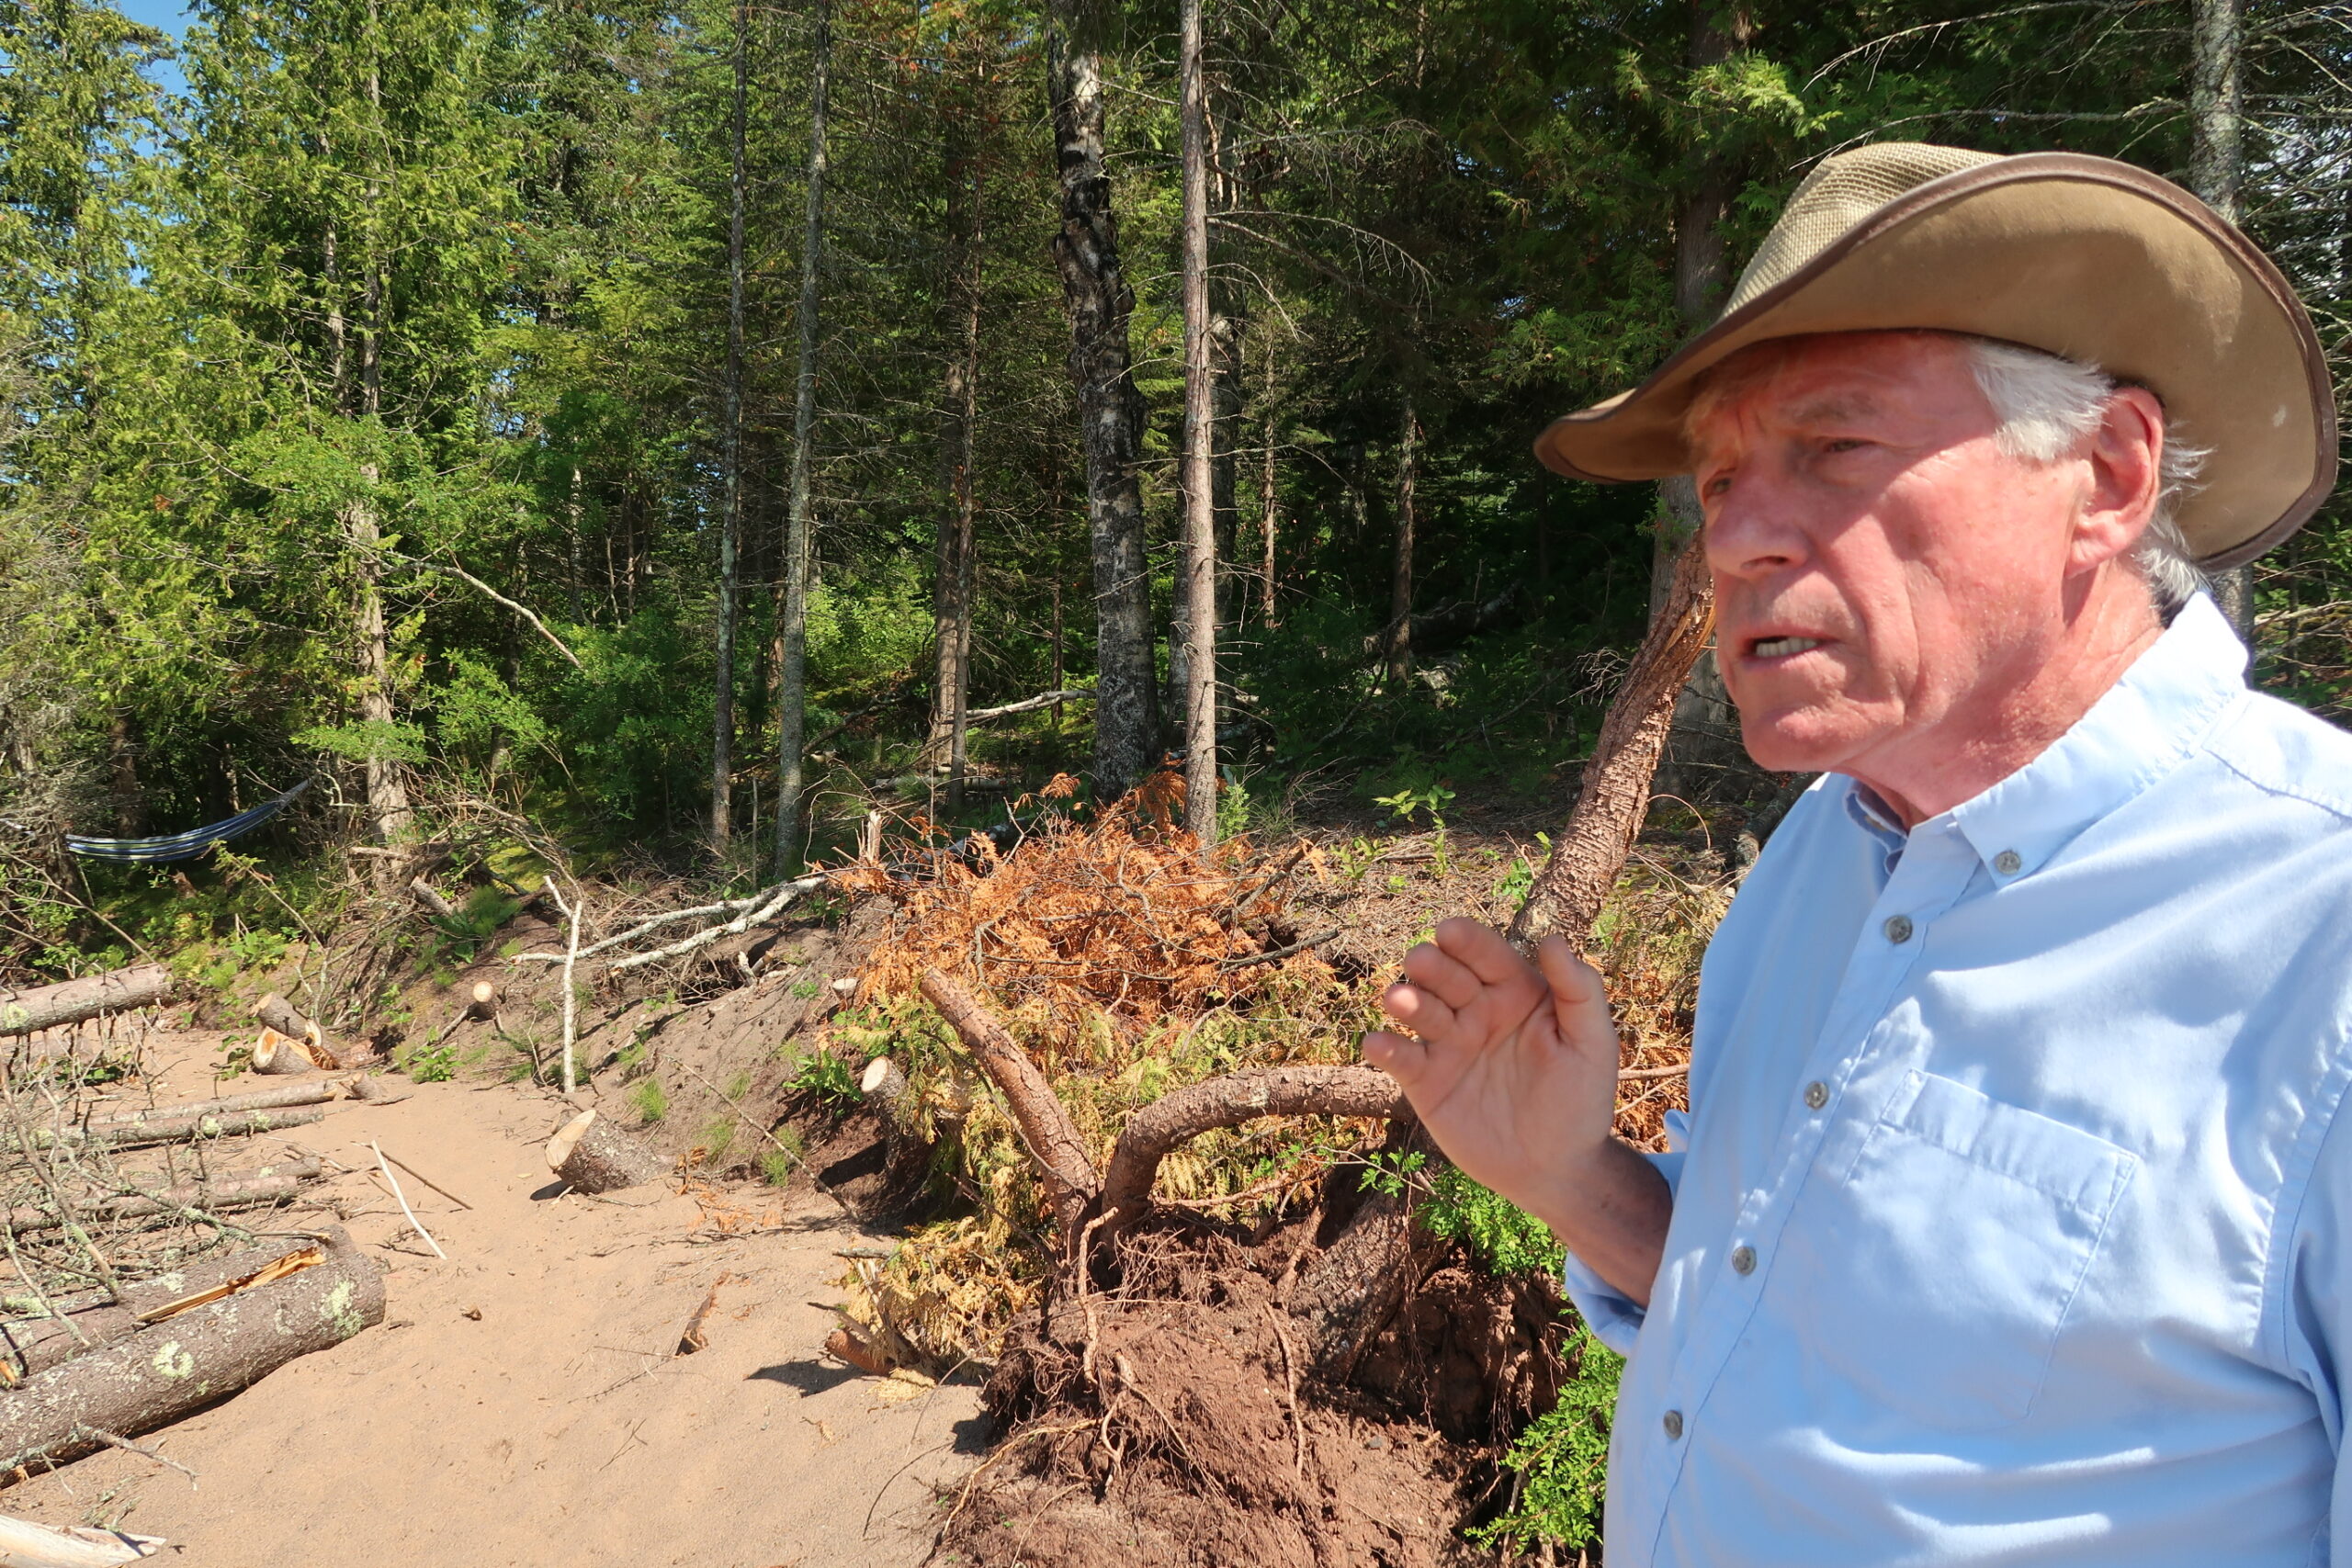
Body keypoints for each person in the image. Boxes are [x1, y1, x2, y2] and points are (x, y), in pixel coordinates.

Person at [1363, 141, 2352, 1565]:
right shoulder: (1823, 850)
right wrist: (1570, 1177)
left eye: (1833, 447)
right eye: (1713, 483)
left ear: (2108, 475)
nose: (1743, 541)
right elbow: (1803, 1307)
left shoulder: (2315, 938)